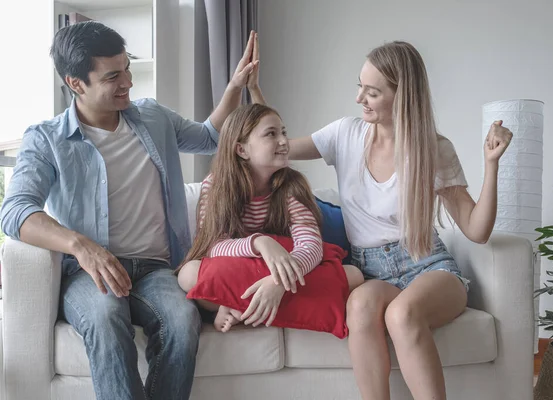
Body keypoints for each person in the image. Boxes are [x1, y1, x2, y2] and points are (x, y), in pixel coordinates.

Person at [0, 21, 259, 400]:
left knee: (182, 320)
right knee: (106, 318)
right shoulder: (47, 139)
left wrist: (235, 87)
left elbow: (209, 138)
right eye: (112, 77)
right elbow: (15, 211)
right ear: (76, 83)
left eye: (127, 69)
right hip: (87, 274)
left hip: (155, 268)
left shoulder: (152, 117)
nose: (128, 83)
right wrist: (82, 246)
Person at [248, 40, 513, 400]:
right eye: (359, 86)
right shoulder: (344, 134)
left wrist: (491, 165)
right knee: (359, 306)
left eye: (372, 92)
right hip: (371, 270)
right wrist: (253, 92)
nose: (360, 99)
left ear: (401, 96)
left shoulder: (433, 149)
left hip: (428, 265)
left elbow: (476, 230)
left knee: (402, 314)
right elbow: (276, 146)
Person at [176, 103, 364, 333]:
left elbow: (311, 246)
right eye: (271, 134)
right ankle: (267, 307)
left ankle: (239, 307)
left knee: (353, 275)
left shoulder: (292, 187)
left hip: (285, 268)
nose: (284, 141)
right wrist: (260, 243)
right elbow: (214, 246)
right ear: (241, 149)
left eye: (283, 132)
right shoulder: (215, 186)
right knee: (189, 274)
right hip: (241, 266)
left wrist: (277, 283)